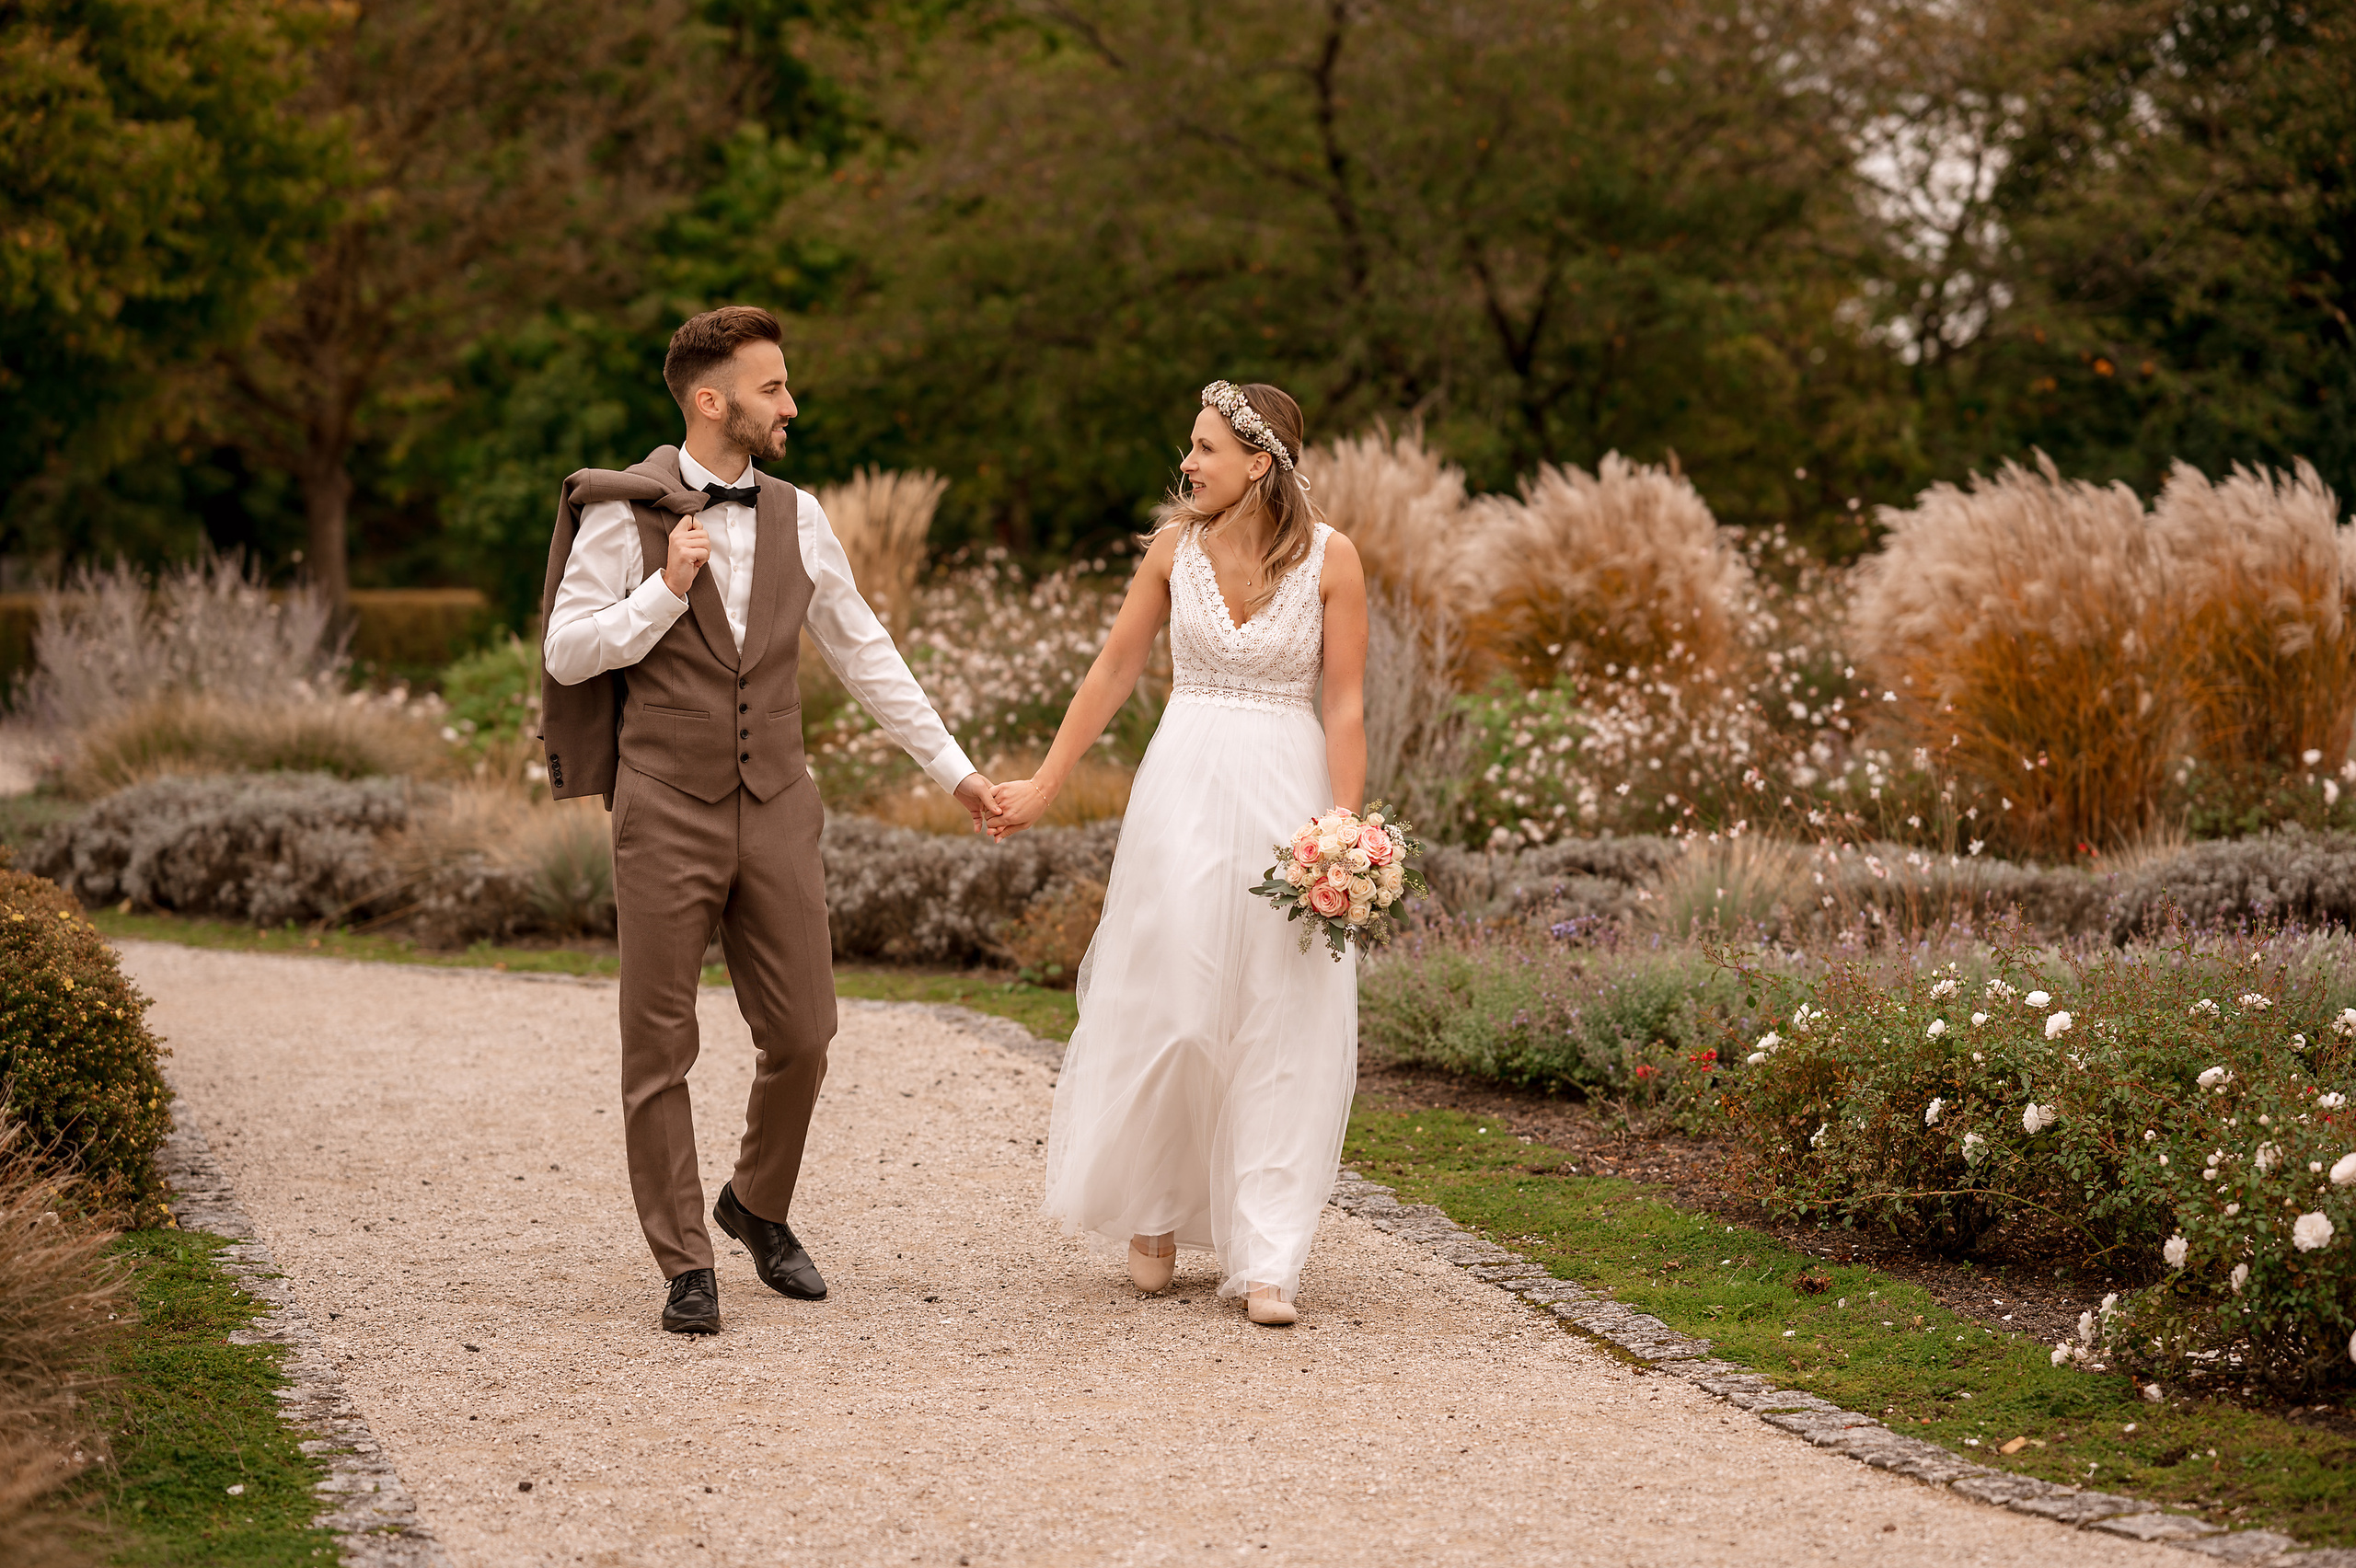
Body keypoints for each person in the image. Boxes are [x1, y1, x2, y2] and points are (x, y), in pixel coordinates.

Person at [537, 306, 997, 1335]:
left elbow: (865, 650)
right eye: (773, 388)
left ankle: (755, 1202)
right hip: (665, 805)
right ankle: (684, 1263)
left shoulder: (800, 515)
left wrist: (956, 773)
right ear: (714, 401)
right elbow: (566, 654)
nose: (791, 403)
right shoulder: (624, 512)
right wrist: (663, 592)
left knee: (804, 1033)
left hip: (780, 803)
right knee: (658, 1043)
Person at [989, 381, 1369, 1326]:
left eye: (1204, 448)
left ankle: (1267, 1253)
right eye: (1189, 448)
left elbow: (1347, 703)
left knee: (1281, 1016)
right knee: (1177, 1006)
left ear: (1259, 462)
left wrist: (1344, 834)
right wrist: (1041, 782)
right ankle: (1154, 1211)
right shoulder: (1173, 552)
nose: (1188, 463)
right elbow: (1114, 668)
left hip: (1287, 792)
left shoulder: (1334, 560)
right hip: (1182, 795)